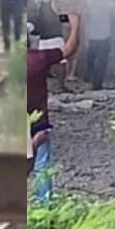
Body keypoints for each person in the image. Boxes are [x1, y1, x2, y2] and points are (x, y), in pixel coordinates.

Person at [29, 12, 81, 204]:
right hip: (39, 123)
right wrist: (75, 26)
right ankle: (44, 205)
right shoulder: (37, 59)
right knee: (42, 165)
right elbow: (69, 49)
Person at [82, 0, 115, 90]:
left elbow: (84, 16)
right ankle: (97, 85)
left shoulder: (89, 2)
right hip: (104, 36)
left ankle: (87, 79)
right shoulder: (109, 4)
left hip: (91, 36)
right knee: (102, 62)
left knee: (90, 59)